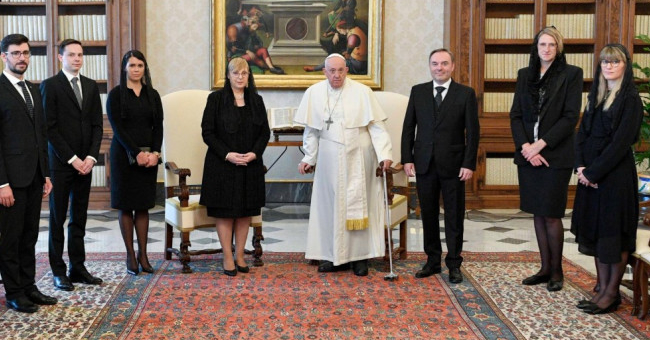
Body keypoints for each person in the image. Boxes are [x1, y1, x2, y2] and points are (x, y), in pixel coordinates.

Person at [294, 53, 393, 277]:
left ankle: (359, 258)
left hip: (359, 155)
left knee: (359, 205)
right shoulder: (314, 93)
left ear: (347, 70)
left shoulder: (362, 92)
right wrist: (309, 157)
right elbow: (312, 131)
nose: (336, 75)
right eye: (332, 71)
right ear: (324, 71)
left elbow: (377, 127)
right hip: (329, 158)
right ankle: (332, 257)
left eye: (341, 70)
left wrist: (384, 154)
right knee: (330, 207)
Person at [0, 33, 55, 313]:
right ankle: (13, 292)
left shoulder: (33, 89)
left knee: (29, 235)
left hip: (34, 176)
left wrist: (46, 174)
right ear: (4, 57)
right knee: (11, 237)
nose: (22, 58)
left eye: (25, 53)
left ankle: (28, 286)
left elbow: (41, 135)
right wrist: (1, 183)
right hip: (9, 180)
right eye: (15, 53)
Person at [571, 44, 643, 315]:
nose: (609, 66)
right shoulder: (597, 95)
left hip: (615, 178)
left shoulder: (630, 99)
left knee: (613, 235)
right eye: (605, 62)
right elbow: (582, 134)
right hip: (590, 175)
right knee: (597, 232)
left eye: (615, 61)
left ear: (625, 65)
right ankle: (601, 288)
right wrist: (581, 167)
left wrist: (593, 173)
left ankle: (612, 294)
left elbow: (620, 144)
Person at [509, 27, 583, 292]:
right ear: (536, 47)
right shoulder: (524, 75)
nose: (547, 49)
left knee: (551, 214)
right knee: (537, 214)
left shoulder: (572, 74)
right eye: (543, 44)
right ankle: (544, 268)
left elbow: (570, 117)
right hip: (528, 156)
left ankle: (557, 271)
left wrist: (540, 146)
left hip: (555, 155)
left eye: (552, 44)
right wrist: (526, 148)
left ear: (558, 48)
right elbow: (516, 115)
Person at [401, 49, 479, 283]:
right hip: (424, 163)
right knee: (428, 215)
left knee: (454, 216)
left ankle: (454, 263)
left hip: (454, 166)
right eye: (435, 64)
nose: (439, 68)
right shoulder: (418, 91)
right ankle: (432, 261)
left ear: (452, 66)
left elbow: (473, 132)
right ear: (430, 66)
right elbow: (408, 128)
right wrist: (407, 158)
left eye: (444, 63)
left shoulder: (465, 94)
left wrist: (468, 163)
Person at [40, 39, 104, 292]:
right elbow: (50, 128)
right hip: (61, 164)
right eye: (71, 55)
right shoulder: (50, 86)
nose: (77, 59)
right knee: (58, 219)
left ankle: (77, 267)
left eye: (80, 55)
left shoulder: (90, 86)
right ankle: (58, 271)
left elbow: (97, 125)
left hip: (86, 164)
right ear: (60, 58)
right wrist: (72, 159)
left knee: (79, 218)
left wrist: (91, 157)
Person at [200, 57, 270, 276]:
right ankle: (227, 256)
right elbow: (207, 132)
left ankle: (240, 255)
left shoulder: (256, 100)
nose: (240, 77)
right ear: (228, 75)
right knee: (225, 212)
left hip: (250, 165)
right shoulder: (215, 99)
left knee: (245, 212)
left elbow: (264, 133)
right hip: (222, 165)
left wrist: (254, 154)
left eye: (244, 73)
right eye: (236, 73)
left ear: (249, 76)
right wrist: (227, 155)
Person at [107, 50, 163, 276]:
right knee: (125, 205)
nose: (136, 69)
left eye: (140, 65)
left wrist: (156, 153)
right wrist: (136, 152)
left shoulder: (153, 94)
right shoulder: (115, 95)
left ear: (144, 68)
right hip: (123, 156)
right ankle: (130, 254)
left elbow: (158, 126)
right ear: (125, 68)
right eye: (132, 65)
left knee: (143, 205)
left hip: (149, 158)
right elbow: (118, 128)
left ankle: (143, 255)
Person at [226, 10, 285, 74]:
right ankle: (267, 67)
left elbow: (258, 44)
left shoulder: (252, 33)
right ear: (249, 23)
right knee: (252, 56)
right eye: (254, 24)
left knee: (263, 50)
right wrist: (247, 51)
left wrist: (256, 44)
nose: (256, 27)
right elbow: (233, 48)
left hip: (249, 53)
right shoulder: (238, 31)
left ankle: (271, 68)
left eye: (257, 25)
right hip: (237, 56)